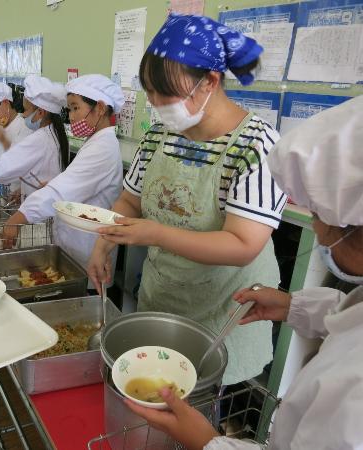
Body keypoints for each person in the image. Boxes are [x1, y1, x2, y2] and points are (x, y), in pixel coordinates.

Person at [125, 95, 363, 450]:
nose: (317, 230)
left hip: (218, 300)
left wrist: (208, 441)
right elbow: (351, 316)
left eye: (317, 215)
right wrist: (291, 305)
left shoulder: (352, 387)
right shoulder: (159, 137)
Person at [89, 14, 287, 385]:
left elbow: (242, 245)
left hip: (224, 310)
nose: (156, 102)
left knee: (201, 404)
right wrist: (103, 245)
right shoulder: (158, 138)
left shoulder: (257, 145)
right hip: (163, 298)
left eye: (165, 92)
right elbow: (129, 204)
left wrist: (155, 234)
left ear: (210, 81)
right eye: (149, 91)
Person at [1, 74, 124, 281]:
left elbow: (65, 189)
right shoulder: (96, 141)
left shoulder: (103, 148)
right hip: (77, 246)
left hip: (88, 250)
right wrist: (54, 184)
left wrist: (20, 216)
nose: (72, 117)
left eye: (76, 108)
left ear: (100, 108)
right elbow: (78, 183)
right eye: (69, 109)